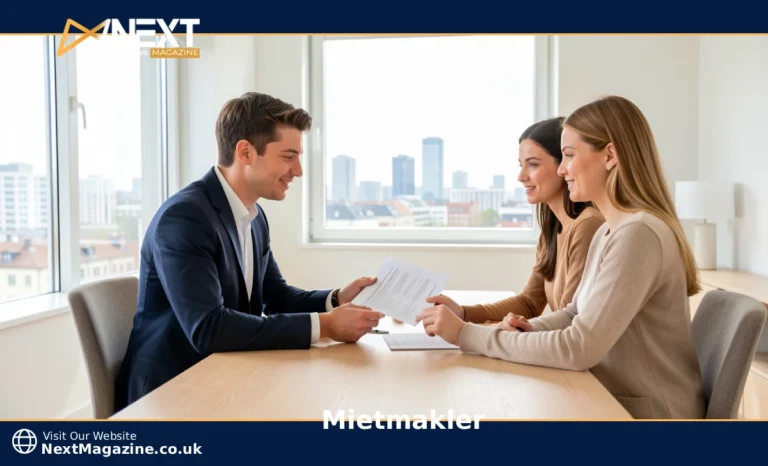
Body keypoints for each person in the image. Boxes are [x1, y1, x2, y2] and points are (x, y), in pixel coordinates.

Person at [418, 96, 706, 419]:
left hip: (648, 415)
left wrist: (467, 334)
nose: (562, 168)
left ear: (610, 155)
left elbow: (579, 346)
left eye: (569, 155)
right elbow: (573, 314)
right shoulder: (610, 231)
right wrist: (525, 329)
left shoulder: (638, 235)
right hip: (611, 400)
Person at [115, 92, 384, 411]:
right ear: (245, 152)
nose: (298, 171)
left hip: (227, 373)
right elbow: (208, 329)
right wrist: (325, 325)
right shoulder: (184, 218)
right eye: (288, 156)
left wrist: (336, 299)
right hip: (173, 391)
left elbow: (276, 296)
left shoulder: (253, 216)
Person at [426, 117, 604, 323]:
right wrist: (462, 313)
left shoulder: (587, 226)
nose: (521, 176)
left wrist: (474, 332)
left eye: (533, 165)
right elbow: (529, 302)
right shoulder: (553, 229)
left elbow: (568, 321)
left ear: (563, 165)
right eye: (521, 165)